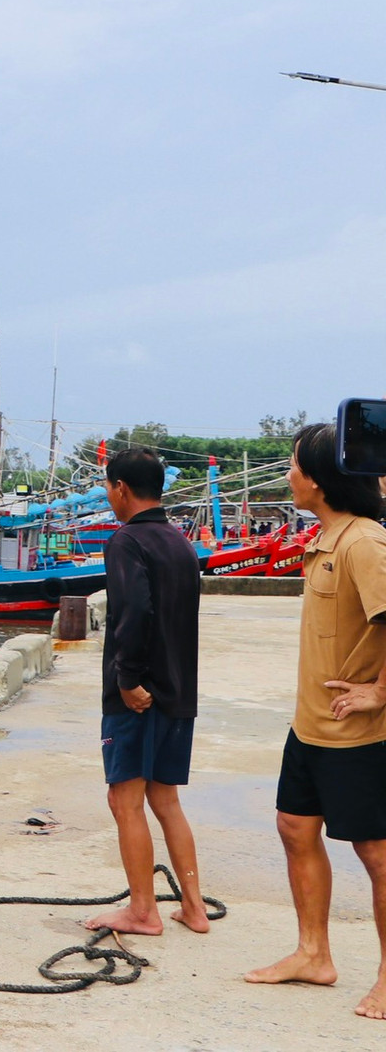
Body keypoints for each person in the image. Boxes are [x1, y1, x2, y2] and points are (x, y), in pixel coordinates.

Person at [245, 423, 386, 1020]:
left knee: (376, 853)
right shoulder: (326, 539)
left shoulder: (365, 544)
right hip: (310, 727)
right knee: (295, 827)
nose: (287, 475)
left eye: (294, 465)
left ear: (321, 480)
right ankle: (313, 954)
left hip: (360, 735)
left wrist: (379, 692)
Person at [86, 448, 209, 936]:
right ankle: (194, 907)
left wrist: (128, 679)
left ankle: (142, 910)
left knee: (125, 799)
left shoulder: (127, 542)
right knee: (166, 799)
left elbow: (133, 613)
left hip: (139, 695)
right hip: (179, 691)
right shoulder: (181, 543)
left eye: (108, 488)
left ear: (120, 487)